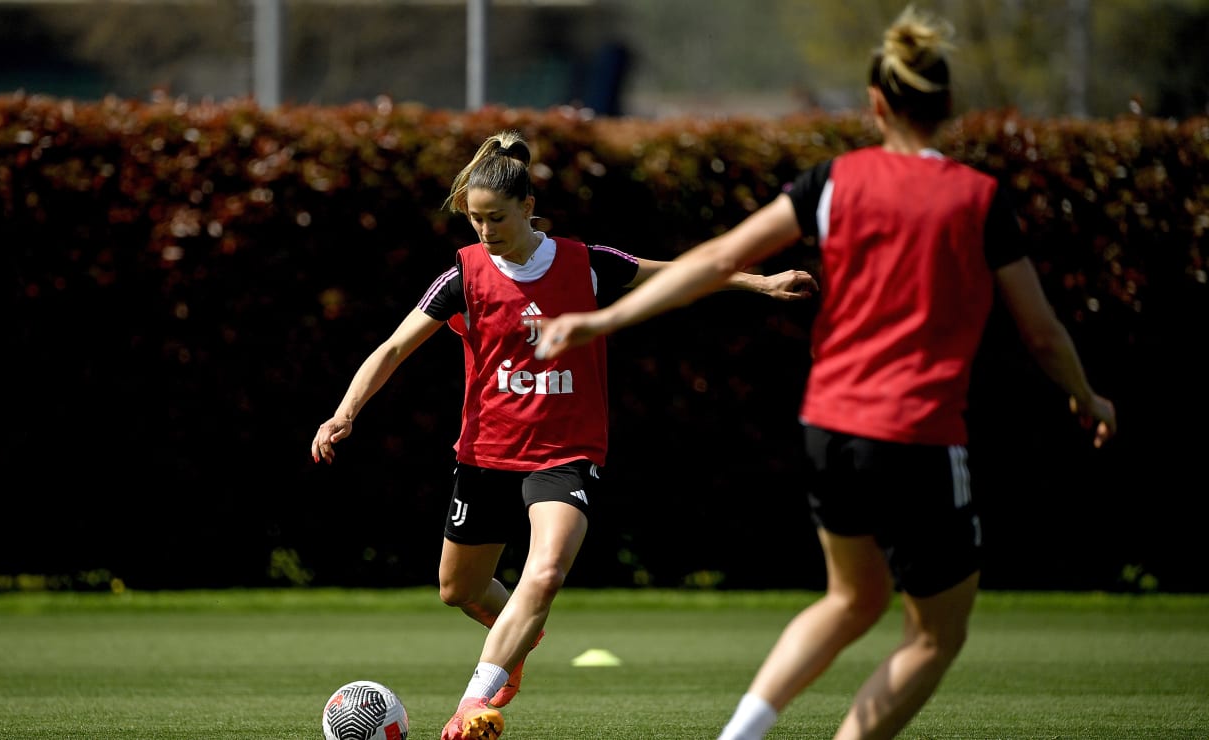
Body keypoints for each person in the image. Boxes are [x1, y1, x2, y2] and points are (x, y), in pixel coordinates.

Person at [531, 6, 1117, 740]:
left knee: (852, 599)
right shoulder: (977, 199)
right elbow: (1040, 329)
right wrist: (1084, 395)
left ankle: (738, 736)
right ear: (945, 106)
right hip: (920, 436)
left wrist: (602, 320)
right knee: (936, 633)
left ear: (876, 105)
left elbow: (718, 259)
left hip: (830, 429)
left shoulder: (831, 183)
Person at [309, 130, 817, 740]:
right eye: (475, 219)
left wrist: (759, 283)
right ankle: (518, 636)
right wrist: (345, 413)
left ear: (528, 207)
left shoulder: (585, 263)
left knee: (543, 574)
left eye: (496, 217)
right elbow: (392, 348)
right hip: (486, 456)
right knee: (458, 589)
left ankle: (474, 702)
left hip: (564, 456)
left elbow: (679, 276)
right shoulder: (463, 276)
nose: (485, 231)